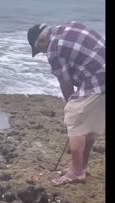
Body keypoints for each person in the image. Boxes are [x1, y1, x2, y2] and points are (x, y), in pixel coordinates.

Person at [27, 21, 105, 186]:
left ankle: (76, 173)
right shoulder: (69, 26)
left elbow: (66, 82)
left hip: (98, 78)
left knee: (74, 118)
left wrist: (70, 104)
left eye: (40, 50)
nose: (43, 52)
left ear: (41, 41)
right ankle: (82, 167)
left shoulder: (54, 49)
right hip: (100, 74)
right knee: (88, 126)